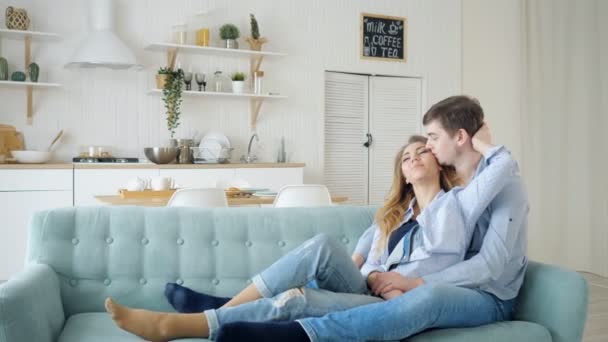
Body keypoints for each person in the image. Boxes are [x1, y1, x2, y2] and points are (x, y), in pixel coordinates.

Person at [105, 125, 517, 341]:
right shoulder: (394, 213)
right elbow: (364, 253)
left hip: (404, 294)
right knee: (322, 246)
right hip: (369, 286)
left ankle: (184, 323)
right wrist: (358, 271)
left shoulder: (456, 204)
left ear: (438, 160)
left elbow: (456, 252)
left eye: (422, 150)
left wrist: (407, 284)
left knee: (295, 299)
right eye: (406, 157)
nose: (413, 158)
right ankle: (221, 310)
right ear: (404, 176)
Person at [214, 95, 529, 342]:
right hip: (423, 283)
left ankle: (300, 333)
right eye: (414, 153)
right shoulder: (456, 186)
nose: (428, 148)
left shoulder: (499, 183)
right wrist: (367, 264)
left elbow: (490, 266)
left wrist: (413, 282)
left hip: (488, 295)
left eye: (431, 139)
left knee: (427, 295)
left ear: (460, 138)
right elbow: (381, 229)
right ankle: (227, 310)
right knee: (322, 258)